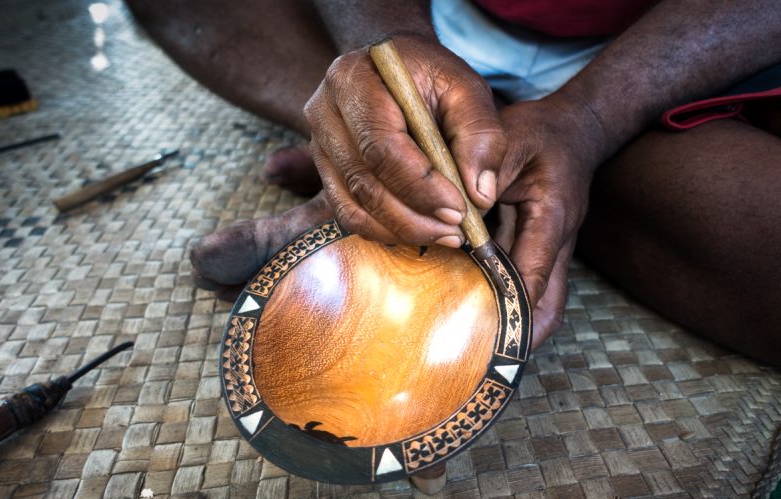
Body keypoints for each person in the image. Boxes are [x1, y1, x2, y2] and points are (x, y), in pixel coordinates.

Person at [125, 0, 781, 363]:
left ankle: (463, 161)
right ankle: (405, 147)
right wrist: (386, 44)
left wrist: (593, 114)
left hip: (673, 43)